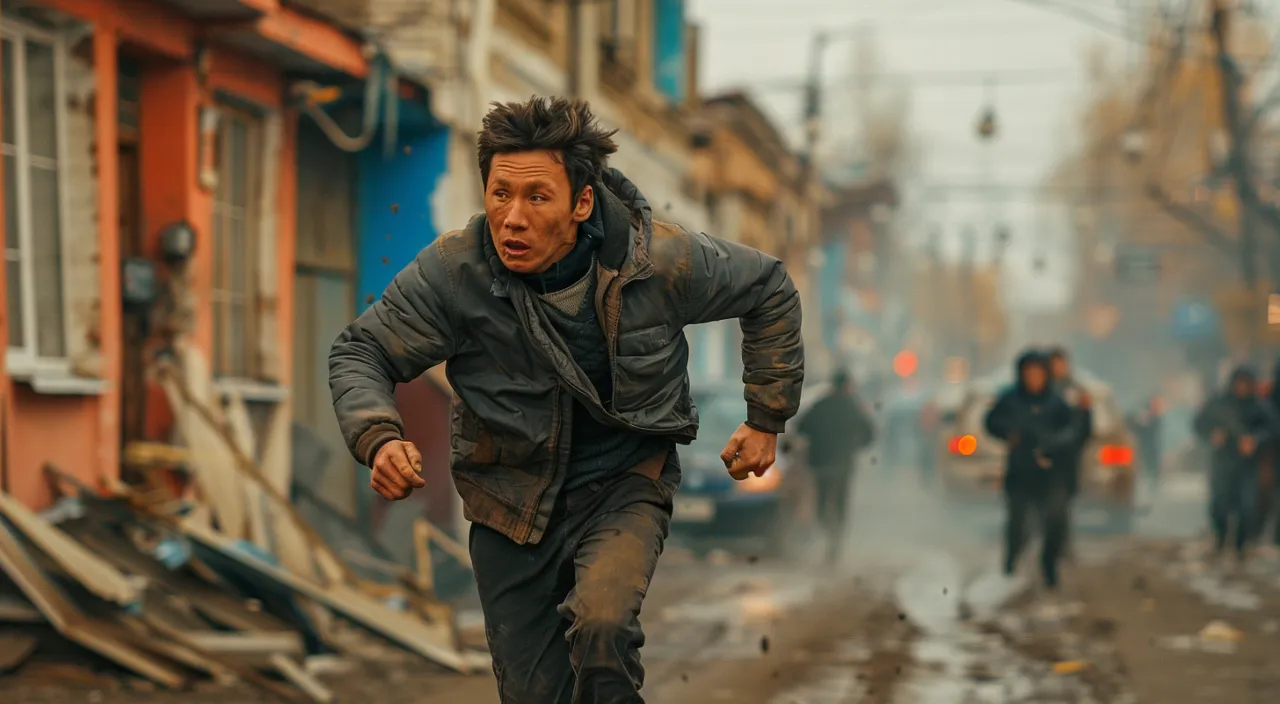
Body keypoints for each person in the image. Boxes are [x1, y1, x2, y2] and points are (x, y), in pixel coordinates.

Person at [328, 96, 804, 703]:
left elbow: (769, 288)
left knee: (603, 628)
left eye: (536, 198)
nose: (513, 218)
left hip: (623, 483)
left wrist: (765, 418)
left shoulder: (657, 262)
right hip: (507, 503)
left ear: (582, 203)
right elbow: (361, 350)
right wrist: (379, 436)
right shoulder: (456, 272)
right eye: (500, 194)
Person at [984, 350, 1085, 590]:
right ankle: (1010, 563)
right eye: (1029, 373)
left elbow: (1072, 430)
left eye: (1038, 373)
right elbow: (991, 421)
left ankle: (1049, 568)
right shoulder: (1010, 399)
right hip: (1020, 470)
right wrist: (1010, 433)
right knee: (1016, 521)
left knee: (1054, 522)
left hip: (1049, 472)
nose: (1034, 378)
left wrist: (1052, 445)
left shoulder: (1056, 402)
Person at [1194, 366, 1279, 560]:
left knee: (1246, 506)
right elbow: (1199, 423)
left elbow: (1273, 429)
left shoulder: (1258, 406)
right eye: (1238, 383)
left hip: (1247, 465)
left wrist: (1255, 440)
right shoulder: (1218, 403)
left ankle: (1241, 546)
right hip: (1222, 461)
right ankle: (1221, 539)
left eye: (1245, 384)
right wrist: (1212, 435)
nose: (1241, 388)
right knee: (1220, 504)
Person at [795, 370, 876, 563]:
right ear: (848, 386)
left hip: (821, 463)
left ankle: (830, 532)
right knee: (840, 503)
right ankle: (836, 539)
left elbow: (801, 427)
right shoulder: (853, 406)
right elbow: (870, 433)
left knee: (822, 504)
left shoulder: (820, 405)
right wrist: (855, 447)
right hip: (843, 464)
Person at [1127, 395, 1164, 491]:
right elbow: (1136, 428)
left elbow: (1150, 430)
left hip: (1151, 450)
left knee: (1152, 474)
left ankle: (1153, 489)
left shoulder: (1155, 419)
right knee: (1144, 474)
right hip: (1142, 450)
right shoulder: (1144, 418)